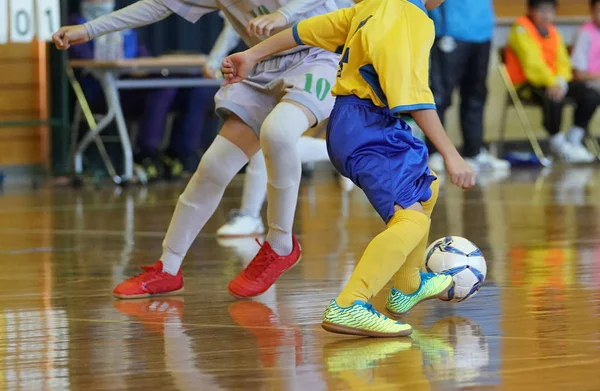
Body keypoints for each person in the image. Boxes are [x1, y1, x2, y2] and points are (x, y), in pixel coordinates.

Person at [53, 0, 342, 299]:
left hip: (317, 54)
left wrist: (284, 14)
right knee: (213, 167)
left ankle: (281, 244)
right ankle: (167, 268)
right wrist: (88, 30)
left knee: (279, 132)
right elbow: (157, 5)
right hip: (262, 63)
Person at [222, 0, 475, 337]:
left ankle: (408, 286)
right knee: (410, 219)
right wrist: (452, 154)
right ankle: (349, 304)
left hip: (356, 121)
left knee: (425, 190)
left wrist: (251, 55)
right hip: (369, 127)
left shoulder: (372, 6)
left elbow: (302, 32)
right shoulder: (410, 16)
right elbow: (416, 99)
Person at [203, 14, 354, 237]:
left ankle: (252, 216)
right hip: (268, 70)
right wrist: (214, 60)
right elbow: (236, 20)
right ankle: (340, 155)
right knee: (273, 138)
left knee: (273, 137)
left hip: (319, 69)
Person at [71, 0, 217, 181]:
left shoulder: (125, 28)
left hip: (133, 86)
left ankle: (178, 154)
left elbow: (143, 59)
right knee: (163, 88)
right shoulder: (76, 26)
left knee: (196, 90)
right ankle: (145, 154)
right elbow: (87, 60)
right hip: (103, 91)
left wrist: (146, 66)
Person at [506, 0, 596, 163]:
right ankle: (558, 142)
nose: (546, 15)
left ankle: (574, 139)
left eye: (550, 11)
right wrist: (552, 82)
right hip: (529, 83)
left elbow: (563, 61)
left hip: (555, 82)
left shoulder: (553, 31)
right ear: (531, 11)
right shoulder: (521, 29)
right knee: (554, 97)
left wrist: (561, 81)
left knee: (590, 94)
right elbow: (532, 64)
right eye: (541, 11)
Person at [428, 0, 510, 172]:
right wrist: (439, 28)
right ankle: (434, 152)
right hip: (450, 34)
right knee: (440, 97)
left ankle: (473, 152)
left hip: (482, 34)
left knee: (476, 95)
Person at [569, 0, 600, 158]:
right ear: (592, 11)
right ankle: (574, 138)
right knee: (592, 95)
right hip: (587, 83)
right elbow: (578, 74)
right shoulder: (585, 34)